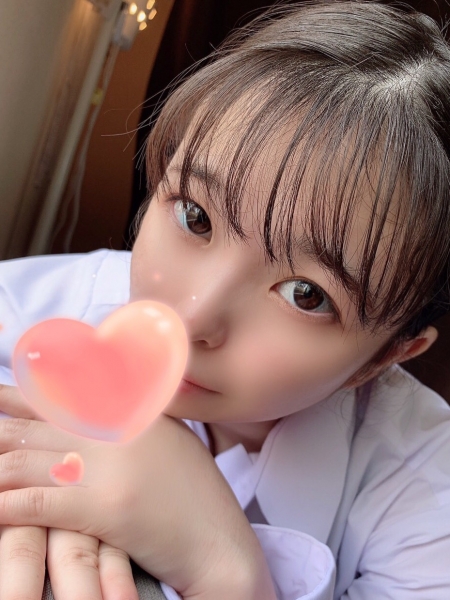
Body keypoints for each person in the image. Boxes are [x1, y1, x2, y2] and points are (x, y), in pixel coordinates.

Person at [0, 1, 449, 598]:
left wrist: (227, 569)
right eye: (195, 217)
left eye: (306, 295)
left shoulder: (426, 492)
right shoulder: (25, 310)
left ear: (387, 355)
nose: (190, 318)